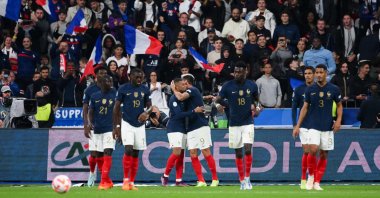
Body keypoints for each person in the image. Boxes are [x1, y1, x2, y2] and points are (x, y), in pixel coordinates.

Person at [293, 64, 343, 191]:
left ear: (326, 73)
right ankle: (310, 177)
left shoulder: (334, 89)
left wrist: (338, 121)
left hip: (327, 126)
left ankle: (317, 182)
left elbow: (339, 106)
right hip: (313, 125)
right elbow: (304, 108)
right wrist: (297, 125)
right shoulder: (310, 89)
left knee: (324, 154)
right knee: (313, 149)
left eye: (321, 72)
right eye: (317, 72)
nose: (319, 75)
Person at [214, 61, 259, 190]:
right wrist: (218, 106)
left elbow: (256, 99)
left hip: (248, 122)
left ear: (246, 71)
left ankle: (247, 179)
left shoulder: (252, 85)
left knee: (248, 149)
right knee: (238, 153)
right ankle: (241, 181)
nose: (237, 74)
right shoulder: (228, 86)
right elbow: (217, 100)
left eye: (240, 71)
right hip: (233, 123)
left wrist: (257, 108)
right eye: (236, 71)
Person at [170, 74, 219, 187]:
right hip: (191, 127)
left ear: (187, 83)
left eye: (183, 83)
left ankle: (215, 179)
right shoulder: (191, 93)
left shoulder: (193, 90)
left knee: (205, 151)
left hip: (200, 125)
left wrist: (173, 89)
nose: (183, 85)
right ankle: (201, 180)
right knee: (193, 153)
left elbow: (180, 97)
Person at [113, 68, 152, 191]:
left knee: (136, 152)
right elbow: (116, 108)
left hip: (140, 124)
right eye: (137, 77)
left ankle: (131, 182)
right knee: (128, 149)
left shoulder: (145, 89)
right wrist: (117, 126)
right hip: (127, 123)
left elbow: (150, 106)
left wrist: (146, 113)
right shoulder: (123, 88)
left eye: (141, 77)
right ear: (130, 76)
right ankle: (125, 180)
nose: (139, 79)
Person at [161, 78, 203, 186]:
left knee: (181, 155)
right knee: (176, 152)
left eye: (185, 84)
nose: (185, 86)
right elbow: (178, 115)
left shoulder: (184, 98)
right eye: (182, 85)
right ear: (177, 87)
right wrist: (194, 111)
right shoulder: (173, 98)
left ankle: (178, 180)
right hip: (174, 128)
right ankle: (165, 175)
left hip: (184, 128)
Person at [88, 75, 116, 190]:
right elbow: (90, 110)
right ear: (101, 83)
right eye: (107, 81)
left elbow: (118, 111)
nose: (109, 82)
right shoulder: (95, 96)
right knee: (98, 155)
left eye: (111, 80)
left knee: (107, 153)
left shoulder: (115, 94)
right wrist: (90, 122)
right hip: (97, 129)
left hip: (110, 129)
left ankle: (103, 182)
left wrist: (117, 127)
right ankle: (107, 180)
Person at [82, 66, 108, 187]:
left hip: (107, 125)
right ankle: (92, 173)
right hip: (94, 125)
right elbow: (85, 108)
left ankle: (103, 177)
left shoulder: (111, 89)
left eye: (105, 73)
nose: (104, 75)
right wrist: (86, 124)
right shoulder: (89, 90)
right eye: (101, 73)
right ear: (96, 75)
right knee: (94, 153)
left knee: (103, 153)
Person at [291, 66, 315, 189]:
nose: (307, 75)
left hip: (317, 125)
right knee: (307, 150)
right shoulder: (299, 89)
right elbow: (294, 107)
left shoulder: (319, 89)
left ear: (314, 74)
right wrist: (295, 124)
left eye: (310, 73)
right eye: (305, 73)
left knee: (313, 151)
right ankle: (303, 178)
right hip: (304, 124)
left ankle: (310, 176)